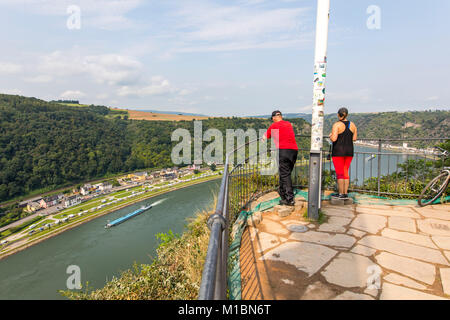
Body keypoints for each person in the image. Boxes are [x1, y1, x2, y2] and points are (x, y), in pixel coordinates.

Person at [261, 110, 298, 206]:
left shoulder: (273, 126)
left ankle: (290, 199)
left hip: (283, 151)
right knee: (286, 173)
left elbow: (265, 136)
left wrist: (263, 137)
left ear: (274, 118)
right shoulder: (288, 124)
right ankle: (283, 194)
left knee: (285, 175)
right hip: (294, 151)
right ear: (281, 116)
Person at [328, 107, 357, 199]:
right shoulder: (352, 125)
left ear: (338, 115)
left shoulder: (337, 125)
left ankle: (340, 193)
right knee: (345, 172)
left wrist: (330, 136)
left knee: (340, 173)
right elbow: (354, 138)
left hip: (338, 152)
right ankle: (345, 193)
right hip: (349, 151)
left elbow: (334, 139)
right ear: (347, 115)